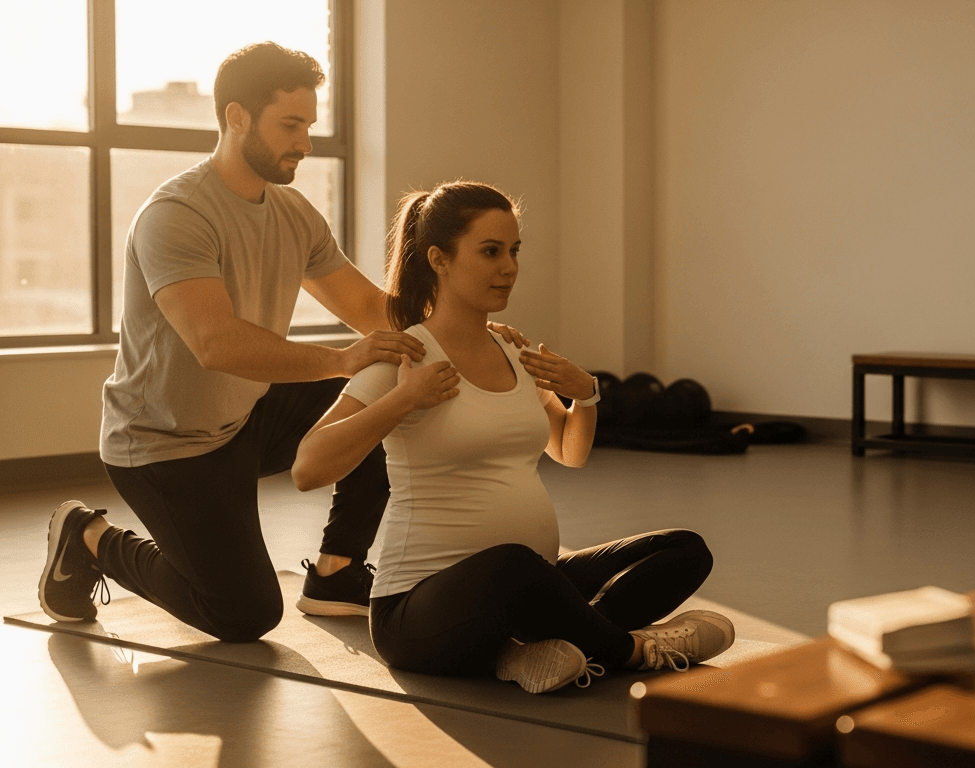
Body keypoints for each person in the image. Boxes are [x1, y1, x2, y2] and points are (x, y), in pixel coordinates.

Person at [36, 42, 524, 641]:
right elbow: (214, 343)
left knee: (380, 404)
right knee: (243, 614)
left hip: (244, 417)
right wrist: (341, 360)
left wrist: (469, 328)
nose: (305, 142)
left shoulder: (293, 213)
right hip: (164, 442)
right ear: (236, 117)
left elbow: (371, 309)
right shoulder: (177, 214)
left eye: (309, 125)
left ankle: (335, 571)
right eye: (290, 125)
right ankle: (88, 537)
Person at [290, 180, 735, 693]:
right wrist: (402, 401)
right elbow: (307, 468)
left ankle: (540, 647)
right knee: (511, 563)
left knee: (683, 550)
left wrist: (585, 396)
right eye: (490, 251)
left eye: (514, 251)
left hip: (528, 585)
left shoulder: (511, 350)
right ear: (439, 258)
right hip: (417, 617)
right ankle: (629, 651)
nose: (509, 267)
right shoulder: (405, 355)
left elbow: (569, 451)